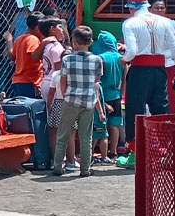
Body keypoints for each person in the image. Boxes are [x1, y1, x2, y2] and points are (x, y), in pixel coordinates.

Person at [118, 0, 175, 168]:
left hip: (140, 69)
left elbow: (131, 52)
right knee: (161, 108)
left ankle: (135, 152)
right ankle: (167, 151)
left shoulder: (130, 23)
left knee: (135, 109)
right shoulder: (164, 22)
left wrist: (123, 59)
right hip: (160, 68)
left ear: (131, 7)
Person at [53, 26, 104, 178]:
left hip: (70, 99)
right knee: (86, 136)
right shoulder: (97, 60)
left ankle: (57, 166)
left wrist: (65, 95)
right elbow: (96, 81)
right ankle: (85, 169)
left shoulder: (67, 59)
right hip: (88, 101)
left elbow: (63, 81)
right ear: (91, 42)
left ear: (74, 42)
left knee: (63, 134)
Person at [38, 17, 75, 172]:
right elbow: (61, 71)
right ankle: (65, 159)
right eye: (60, 27)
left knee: (54, 125)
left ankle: (56, 159)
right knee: (64, 126)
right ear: (52, 29)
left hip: (48, 83)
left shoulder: (48, 46)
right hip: (57, 87)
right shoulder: (56, 48)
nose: (62, 30)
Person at [91, 30, 124, 164]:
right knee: (115, 124)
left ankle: (91, 152)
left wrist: (101, 102)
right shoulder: (121, 58)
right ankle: (113, 152)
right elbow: (124, 79)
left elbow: (96, 80)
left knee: (99, 126)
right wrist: (121, 93)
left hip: (103, 96)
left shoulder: (100, 58)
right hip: (117, 94)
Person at [9, 11, 45, 99]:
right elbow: (34, 56)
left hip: (19, 81)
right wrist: (45, 42)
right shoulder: (32, 39)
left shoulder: (20, 38)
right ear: (37, 27)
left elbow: (12, 56)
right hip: (30, 81)